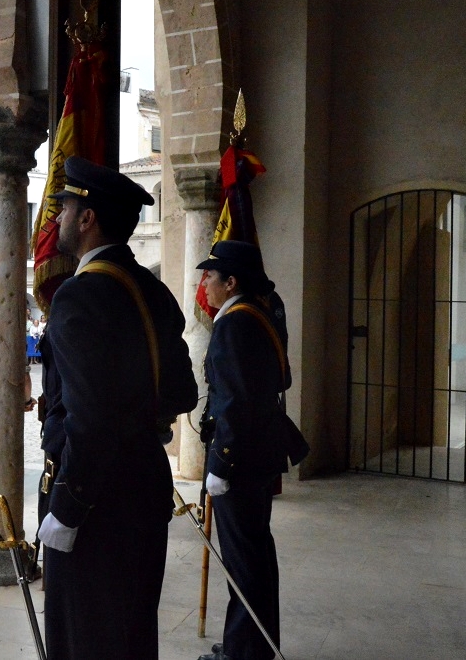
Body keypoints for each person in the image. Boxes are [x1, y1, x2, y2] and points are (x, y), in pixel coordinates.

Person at [36, 156, 198, 659]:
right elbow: (183, 393)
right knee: (131, 636)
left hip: (95, 498)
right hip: (145, 484)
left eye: (64, 208)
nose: (56, 218)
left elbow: (89, 420)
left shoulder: (78, 297)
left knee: (85, 637)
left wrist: (68, 508)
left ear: (87, 219)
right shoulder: (154, 290)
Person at [196, 240, 308, 660]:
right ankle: (253, 643)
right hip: (258, 455)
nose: (204, 284)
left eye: (210, 276)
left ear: (232, 282)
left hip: (240, 462)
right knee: (255, 556)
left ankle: (245, 653)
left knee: (244, 562)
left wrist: (222, 463)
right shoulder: (259, 314)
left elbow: (235, 401)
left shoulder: (235, 324)